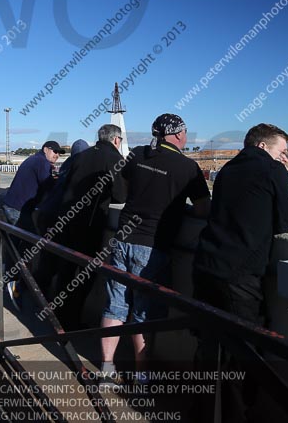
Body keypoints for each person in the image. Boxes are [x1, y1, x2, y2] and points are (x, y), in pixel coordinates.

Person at [191, 123, 288, 421]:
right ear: (263, 147)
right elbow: (286, 222)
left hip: (205, 266)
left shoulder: (226, 170)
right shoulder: (273, 171)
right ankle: (237, 414)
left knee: (208, 346)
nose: (285, 158)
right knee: (244, 351)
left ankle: (202, 411)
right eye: (283, 151)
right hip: (239, 276)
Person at [99, 113, 211, 389]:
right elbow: (203, 210)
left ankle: (106, 369)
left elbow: (121, 190)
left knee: (114, 305)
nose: (186, 138)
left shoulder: (137, 154)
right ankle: (141, 376)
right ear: (177, 135)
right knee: (143, 313)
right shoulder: (188, 167)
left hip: (123, 237)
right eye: (185, 133)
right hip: (152, 246)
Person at [38, 126, 127, 328]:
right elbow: (121, 195)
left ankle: (58, 316)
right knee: (87, 273)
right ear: (115, 140)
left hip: (66, 221)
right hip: (91, 225)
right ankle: (72, 320)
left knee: (66, 269)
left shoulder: (80, 156)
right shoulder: (114, 159)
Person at [0, 140, 65, 306]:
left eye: (59, 153)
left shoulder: (35, 160)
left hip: (14, 205)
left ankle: (11, 276)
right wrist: (61, 181)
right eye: (54, 151)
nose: (57, 155)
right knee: (29, 244)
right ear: (45, 149)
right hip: (18, 208)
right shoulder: (42, 162)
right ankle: (13, 282)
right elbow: (48, 187)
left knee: (18, 243)